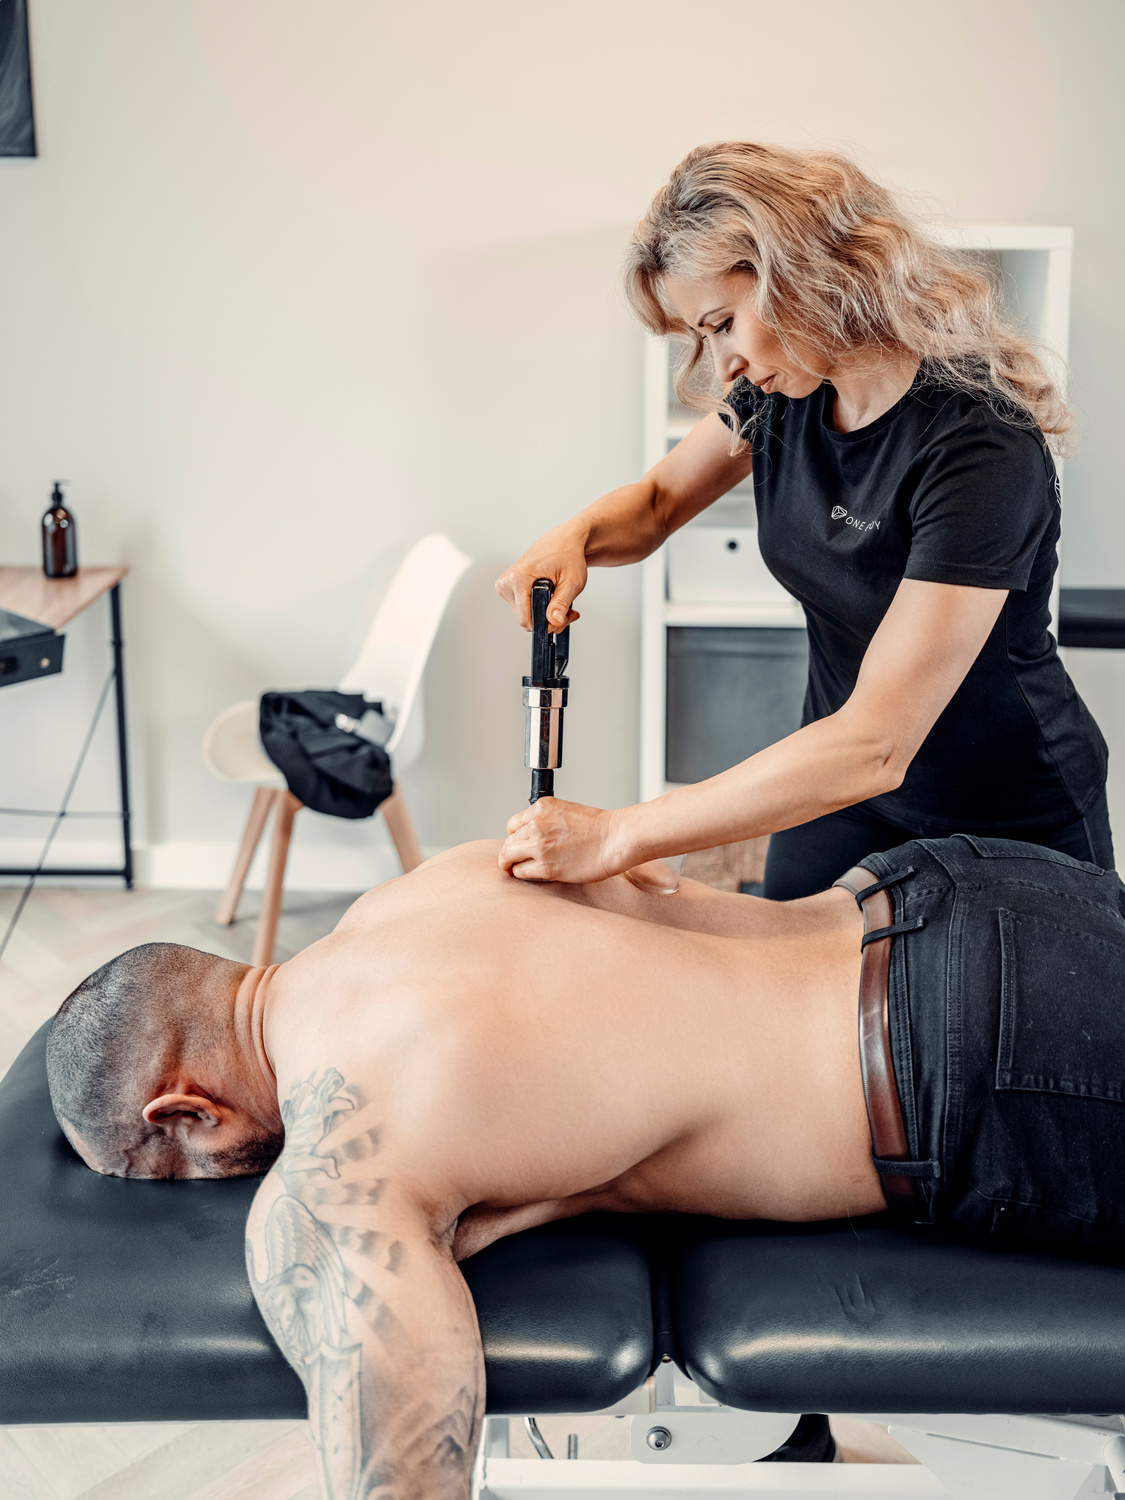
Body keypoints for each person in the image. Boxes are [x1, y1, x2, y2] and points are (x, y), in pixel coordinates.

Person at [47, 835, 1125, 1497]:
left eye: (173, 1174)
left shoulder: (334, 1167)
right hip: (954, 886)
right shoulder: (439, 881)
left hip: (987, 1053)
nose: (208, 1189)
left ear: (184, 1110)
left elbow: (404, 1473)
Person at [495, 142, 1111, 899]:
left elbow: (879, 742)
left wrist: (622, 833)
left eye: (722, 322)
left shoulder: (978, 443)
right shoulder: (781, 394)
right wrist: (578, 537)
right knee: (778, 988)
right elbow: (656, 505)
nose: (720, 363)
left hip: (1000, 808)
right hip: (843, 788)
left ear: (798, 274)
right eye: (701, 335)